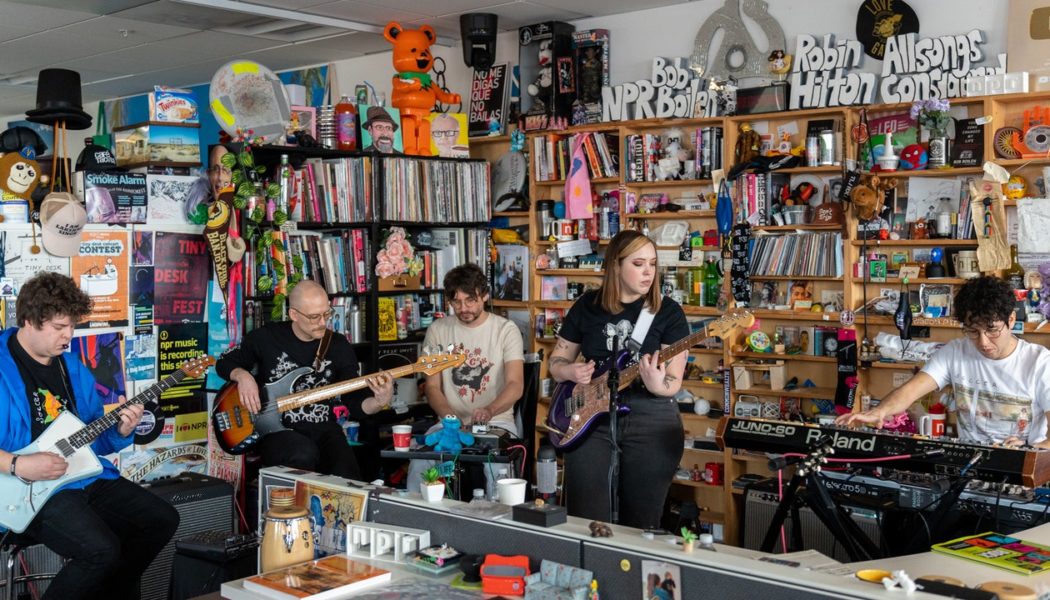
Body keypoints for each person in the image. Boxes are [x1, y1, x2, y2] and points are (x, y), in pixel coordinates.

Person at [0, 272, 179, 600]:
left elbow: (95, 437)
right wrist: (16, 464)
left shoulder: (72, 367)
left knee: (161, 520)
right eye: (59, 327)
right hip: (24, 489)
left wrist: (123, 430)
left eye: (72, 326)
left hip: (82, 476)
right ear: (28, 319)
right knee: (101, 551)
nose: (69, 336)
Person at [548, 230, 689, 529]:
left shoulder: (668, 312)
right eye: (639, 263)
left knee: (642, 523)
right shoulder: (587, 306)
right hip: (589, 419)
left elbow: (673, 382)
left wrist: (656, 384)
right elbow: (556, 363)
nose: (648, 272)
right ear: (615, 265)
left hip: (651, 420)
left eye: (652, 263)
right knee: (586, 518)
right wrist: (571, 372)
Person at [837, 276, 1050, 447]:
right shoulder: (955, 352)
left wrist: (1035, 448)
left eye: (992, 330)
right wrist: (878, 411)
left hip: (1021, 466)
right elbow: (910, 391)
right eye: (973, 332)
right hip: (968, 462)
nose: (983, 342)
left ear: (1011, 319)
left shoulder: (1040, 363)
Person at [215, 280, 394, 479]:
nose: (322, 322)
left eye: (327, 314)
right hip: (273, 429)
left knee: (347, 474)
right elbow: (223, 362)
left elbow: (354, 404)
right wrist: (242, 375)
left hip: (323, 428)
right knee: (302, 453)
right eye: (314, 317)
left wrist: (379, 401)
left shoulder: (338, 345)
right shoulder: (266, 338)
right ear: (294, 315)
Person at [407, 264, 524, 487]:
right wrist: (450, 418)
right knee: (420, 464)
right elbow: (432, 388)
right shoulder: (438, 330)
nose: (464, 308)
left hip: (497, 421)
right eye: (456, 302)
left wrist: (490, 410)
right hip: (449, 423)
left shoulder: (506, 330)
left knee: (499, 473)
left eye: (470, 300)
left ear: (485, 296)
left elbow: (515, 384)